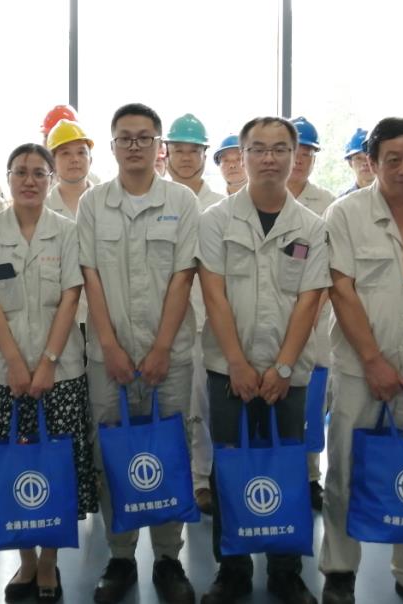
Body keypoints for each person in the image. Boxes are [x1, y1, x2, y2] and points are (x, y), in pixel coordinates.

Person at [318, 118, 403, 604]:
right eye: (393, 159)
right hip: (360, 370)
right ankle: (340, 571)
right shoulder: (346, 214)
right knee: (345, 471)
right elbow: (341, 290)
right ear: (372, 162)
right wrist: (373, 360)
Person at [197, 116, 327, 604]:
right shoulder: (215, 220)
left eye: (279, 149)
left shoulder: (312, 226)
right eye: (258, 149)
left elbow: (310, 300)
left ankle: (285, 571)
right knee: (228, 466)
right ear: (242, 155)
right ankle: (231, 569)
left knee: (287, 466)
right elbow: (213, 294)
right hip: (226, 370)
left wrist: (284, 368)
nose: (269, 158)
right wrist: (236, 362)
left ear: (295, 156)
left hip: (288, 375)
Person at [0, 143, 98, 604]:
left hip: (60, 373)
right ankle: (24, 559)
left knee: (56, 467)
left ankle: (49, 561)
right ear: (7, 177)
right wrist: (16, 363)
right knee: (10, 467)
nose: (29, 180)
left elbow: (70, 297)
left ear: (51, 180)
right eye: (20, 171)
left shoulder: (67, 231)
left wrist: (47, 362)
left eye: (39, 173)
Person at [77, 103, 198, 604]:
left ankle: (169, 558)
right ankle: (121, 556)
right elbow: (90, 276)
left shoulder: (182, 201)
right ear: (112, 146)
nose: (134, 146)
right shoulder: (93, 203)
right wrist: (109, 347)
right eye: (124, 138)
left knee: (171, 452)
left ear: (158, 146)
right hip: (109, 359)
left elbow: (183, 276)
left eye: (144, 137)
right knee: (112, 453)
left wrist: (162, 348)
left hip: (170, 356)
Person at [163, 112, 225, 515]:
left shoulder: (220, 207)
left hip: (207, 321)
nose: (186, 158)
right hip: (162, 323)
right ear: (166, 153)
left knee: (202, 408)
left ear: (205, 155)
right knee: (169, 408)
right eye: (179, 150)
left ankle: (201, 480)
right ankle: (167, 479)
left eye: (193, 150)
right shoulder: (157, 200)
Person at [289, 116, 337, 511]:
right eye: (296, 151)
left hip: (314, 328)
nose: (301, 159)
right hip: (264, 325)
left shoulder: (328, 205)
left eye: (308, 153)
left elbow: (330, 272)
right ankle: (274, 473)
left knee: (311, 408)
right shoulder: (255, 200)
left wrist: (305, 319)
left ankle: (309, 478)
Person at [45, 119, 95, 218]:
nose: (75, 159)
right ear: (52, 163)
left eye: (81, 152)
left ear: (90, 160)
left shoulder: (108, 202)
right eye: (66, 153)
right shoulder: (43, 209)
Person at [340, 128, 373, 196]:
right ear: (350, 163)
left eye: (369, 157)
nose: (365, 163)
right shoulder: (343, 200)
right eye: (359, 158)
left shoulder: (393, 196)